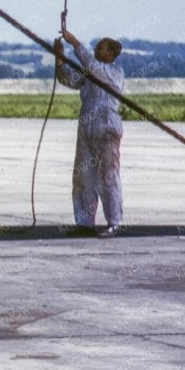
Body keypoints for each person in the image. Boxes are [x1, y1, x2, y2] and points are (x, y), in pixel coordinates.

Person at [57, 30, 125, 235]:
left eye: (101, 47)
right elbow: (70, 80)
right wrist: (60, 60)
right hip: (87, 123)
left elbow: (92, 67)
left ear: (111, 53)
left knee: (108, 175)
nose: (96, 49)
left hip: (106, 124)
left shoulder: (113, 72)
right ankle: (84, 223)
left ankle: (114, 222)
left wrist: (75, 43)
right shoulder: (90, 72)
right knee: (82, 175)